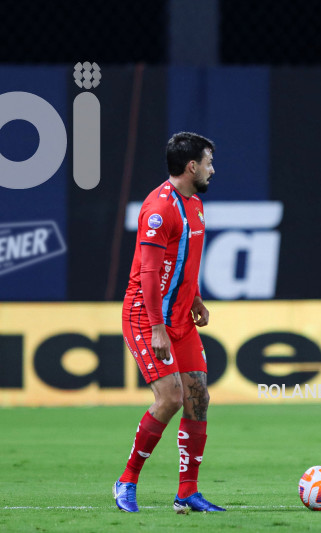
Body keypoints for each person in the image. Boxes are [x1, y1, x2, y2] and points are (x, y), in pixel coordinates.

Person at [114, 132, 225, 513]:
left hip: (180, 317)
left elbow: (182, 262)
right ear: (191, 166)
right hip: (147, 318)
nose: (213, 168)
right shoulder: (160, 208)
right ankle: (126, 481)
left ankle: (187, 492)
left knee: (198, 398)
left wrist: (194, 299)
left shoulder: (194, 204)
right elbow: (147, 271)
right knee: (172, 398)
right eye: (209, 162)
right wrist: (158, 326)